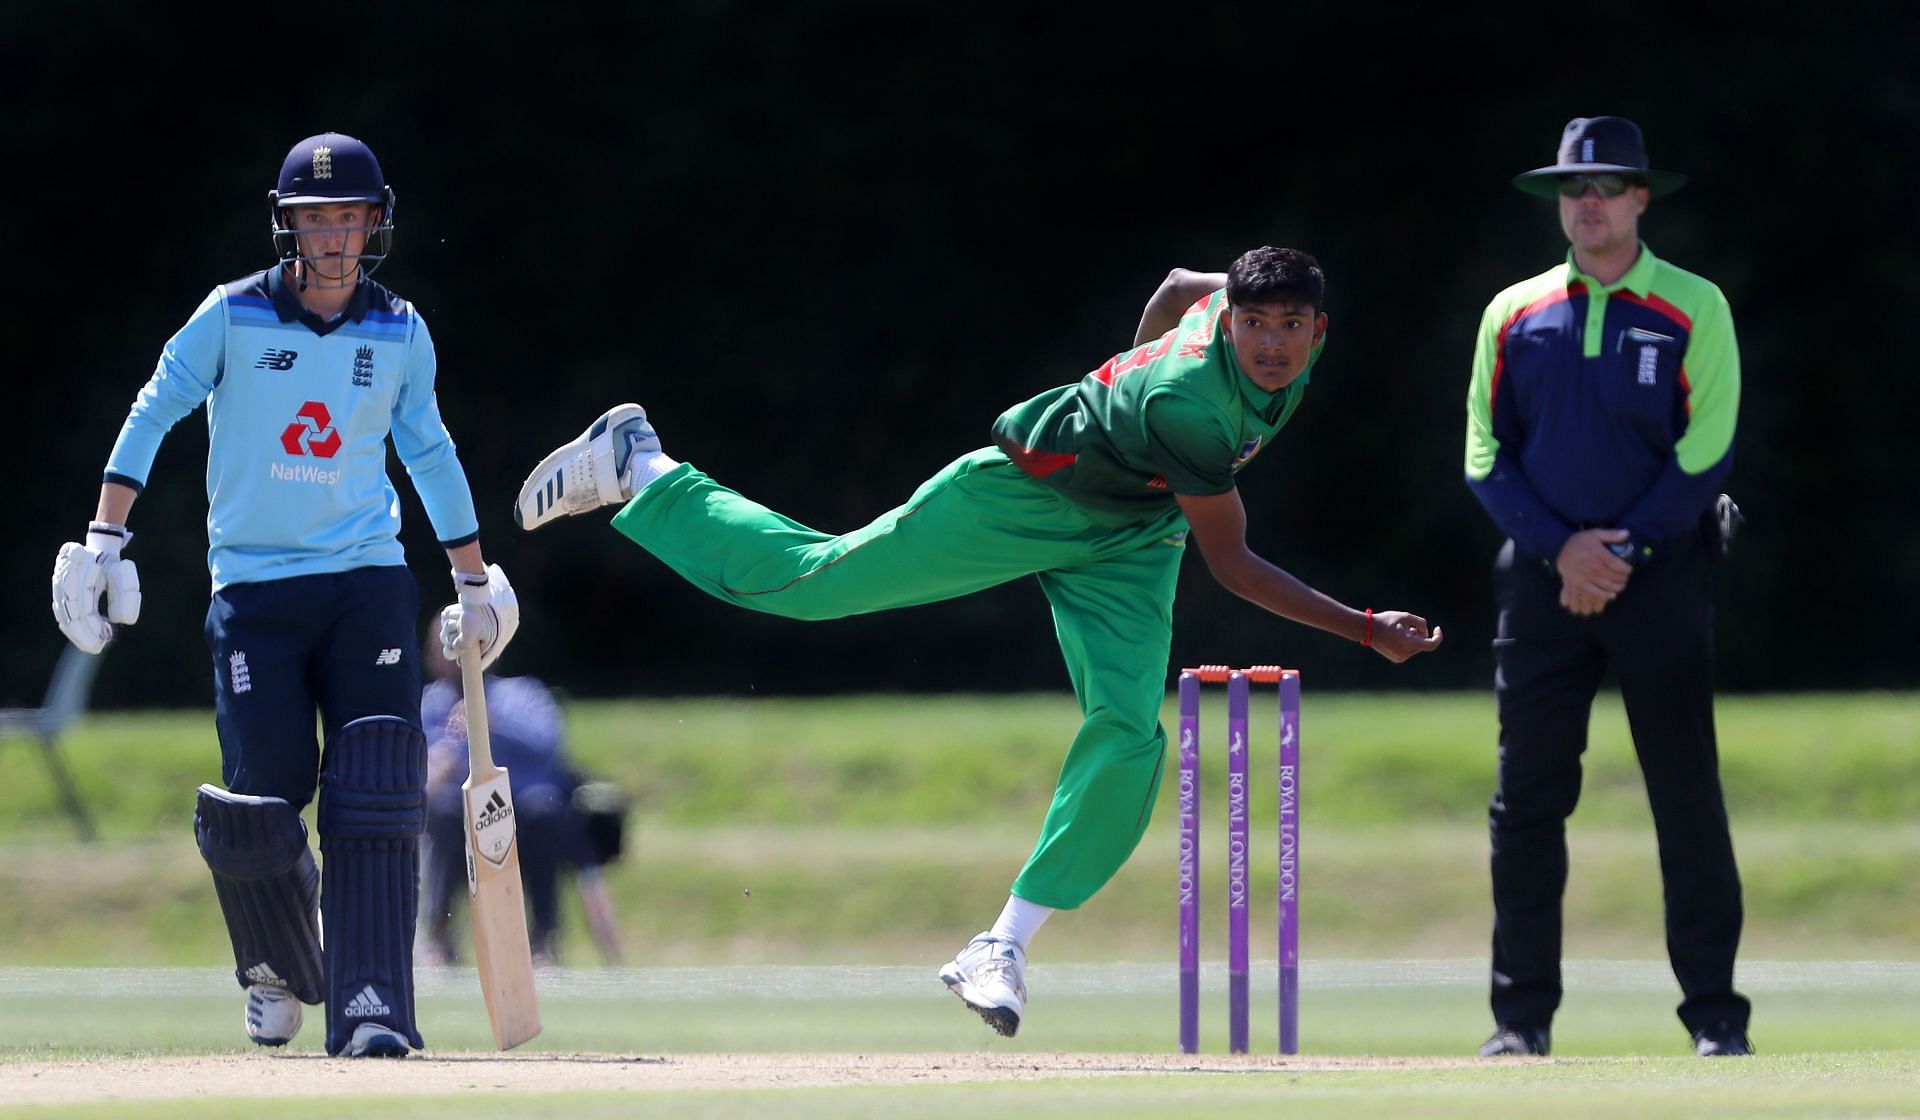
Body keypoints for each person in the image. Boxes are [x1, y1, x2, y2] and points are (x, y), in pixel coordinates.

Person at [512, 245, 1443, 1037]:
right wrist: (1364, 629)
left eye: (1290, 326)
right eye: (1256, 326)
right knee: (817, 585)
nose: (1272, 344)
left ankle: (1001, 945)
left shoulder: (1253, 327)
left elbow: (1171, 285)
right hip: (1031, 490)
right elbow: (1234, 566)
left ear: (1318, 329)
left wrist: (1119, 395)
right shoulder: (1190, 403)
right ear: (1230, 324)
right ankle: (645, 467)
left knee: (1130, 732)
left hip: (1133, 532)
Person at [49, 132, 519, 1058]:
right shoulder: (231, 317)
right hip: (257, 590)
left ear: (375, 223)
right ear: (288, 226)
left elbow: (428, 450)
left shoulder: (401, 331)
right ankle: (273, 963)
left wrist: (474, 573)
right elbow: (157, 403)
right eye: (317, 220)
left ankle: (376, 1002)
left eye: (350, 218)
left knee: (378, 775)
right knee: (263, 804)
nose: (335, 237)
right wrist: (105, 538)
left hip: (366, 582)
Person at [1463, 116, 1750, 1058]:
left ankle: (1715, 1017)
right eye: (1573, 188)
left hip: (1660, 576)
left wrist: (1619, 550)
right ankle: (1521, 1021)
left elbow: (1706, 451)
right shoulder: (1513, 311)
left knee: (1684, 794)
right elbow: (1483, 451)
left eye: (1607, 187)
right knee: (1527, 801)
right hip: (1544, 584)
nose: (1587, 203)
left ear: (1640, 199)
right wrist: (1564, 551)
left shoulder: (1692, 305)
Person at [417, 636, 625, 967]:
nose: (452, 660)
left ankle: (544, 938)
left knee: (543, 810)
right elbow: (419, 774)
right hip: (461, 815)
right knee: (442, 811)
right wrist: (436, 765)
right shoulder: (429, 704)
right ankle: (440, 939)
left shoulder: (523, 693)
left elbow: (549, 745)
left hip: (523, 814)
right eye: (443, 651)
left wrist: (493, 724)